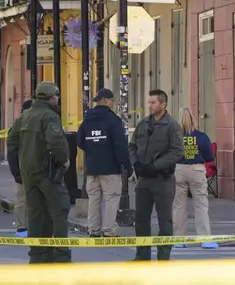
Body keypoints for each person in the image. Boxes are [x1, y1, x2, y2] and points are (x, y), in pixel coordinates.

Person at [7, 81, 71, 264]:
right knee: (59, 211)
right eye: (57, 96)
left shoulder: (24, 116)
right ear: (52, 98)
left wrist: (18, 168)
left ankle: (37, 255)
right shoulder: (49, 117)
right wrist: (63, 161)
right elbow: (57, 143)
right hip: (47, 172)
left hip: (29, 173)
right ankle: (60, 255)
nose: (58, 99)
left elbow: (11, 142)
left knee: (35, 214)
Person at [129, 89, 184, 261]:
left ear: (163, 104)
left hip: (163, 179)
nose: (150, 106)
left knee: (165, 221)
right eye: (149, 102)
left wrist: (156, 166)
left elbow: (177, 152)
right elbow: (132, 146)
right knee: (141, 219)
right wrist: (136, 163)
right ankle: (142, 255)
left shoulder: (172, 125)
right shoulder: (143, 124)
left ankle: (163, 257)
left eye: (153, 102)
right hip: (144, 179)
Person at [76, 88, 133, 238]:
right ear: (106, 101)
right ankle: (108, 231)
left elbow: (79, 140)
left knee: (94, 199)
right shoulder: (113, 120)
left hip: (92, 167)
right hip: (110, 168)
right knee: (111, 199)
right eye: (113, 101)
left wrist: (92, 149)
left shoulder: (87, 119)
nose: (113, 104)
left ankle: (93, 229)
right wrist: (127, 166)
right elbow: (120, 145)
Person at [172, 107, 217, 249]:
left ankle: (179, 239)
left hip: (178, 169)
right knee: (201, 205)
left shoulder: (175, 136)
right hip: (197, 170)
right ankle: (205, 239)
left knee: (179, 206)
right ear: (193, 119)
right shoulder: (201, 136)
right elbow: (209, 156)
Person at [8, 99, 33, 238]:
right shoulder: (36, 124)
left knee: (22, 199)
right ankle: (26, 227)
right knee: (29, 199)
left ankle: (22, 228)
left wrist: (15, 172)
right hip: (31, 169)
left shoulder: (16, 126)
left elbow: (11, 151)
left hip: (23, 169)